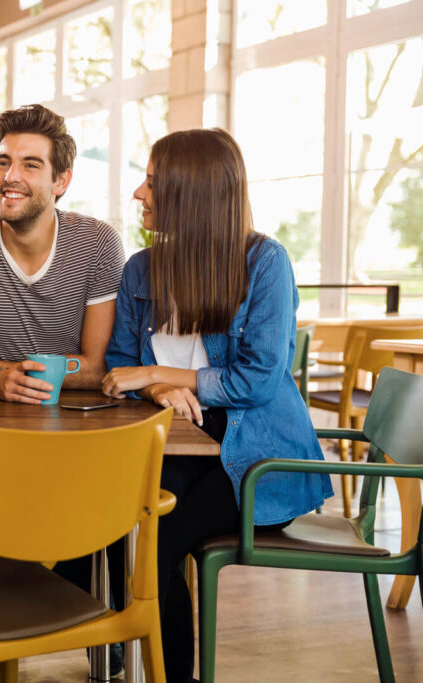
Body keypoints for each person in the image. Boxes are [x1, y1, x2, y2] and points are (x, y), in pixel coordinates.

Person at [102, 127, 333, 683]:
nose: (139, 193)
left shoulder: (264, 262)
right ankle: (123, 657)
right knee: (114, 521)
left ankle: (162, 673)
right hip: (176, 440)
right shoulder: (140, 269)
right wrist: (156, 389)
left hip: (252, 456)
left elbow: (256, 380)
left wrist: (156, 371)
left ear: (192, 191)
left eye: (153, 182)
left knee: (154, 541)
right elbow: (117, 366)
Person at [0, 104, 125, 402]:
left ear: (60, 181)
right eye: (3, 162)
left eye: (30, 165)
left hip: (74, 416)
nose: (10, 176)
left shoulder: (97, 243)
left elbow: (99, 367)